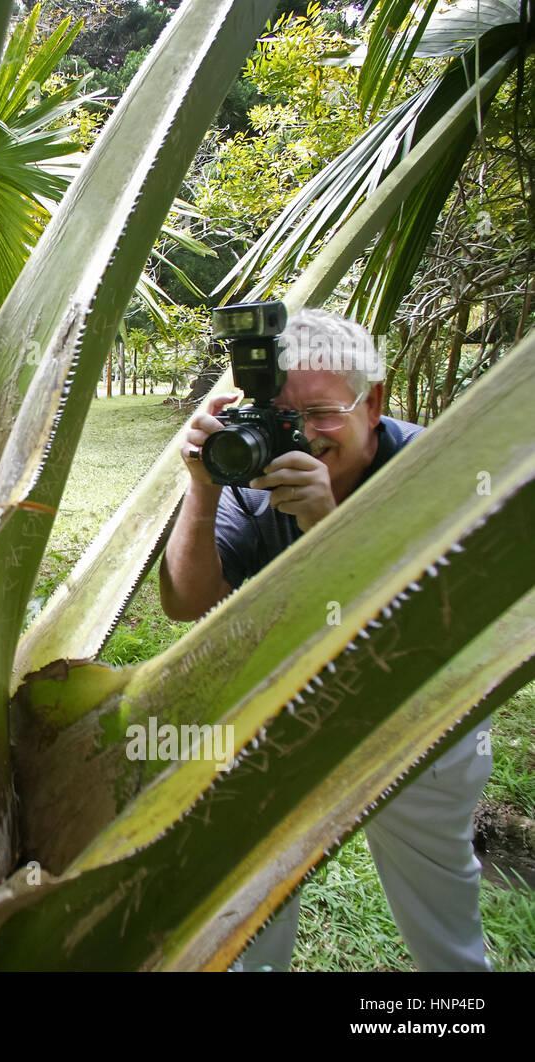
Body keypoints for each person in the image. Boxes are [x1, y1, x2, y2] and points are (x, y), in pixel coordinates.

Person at [158, 308, 492, 972]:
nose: (300, 438)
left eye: (321, 415)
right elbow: (184, 601)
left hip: (418, 714)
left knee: (444, 927)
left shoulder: (439, 468)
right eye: (281, 418)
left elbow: (431, 633)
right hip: (289, 708)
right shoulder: (254, 471)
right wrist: (199, 487)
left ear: (373, 400)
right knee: (252, 915)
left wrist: (325, 525)